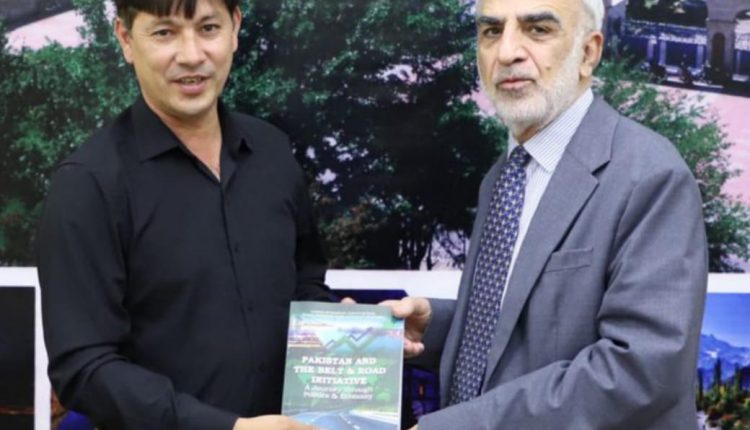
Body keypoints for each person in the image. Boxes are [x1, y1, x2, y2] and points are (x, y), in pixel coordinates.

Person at [384, 0, 708, 428]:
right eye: (491, 31)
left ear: (589, 53)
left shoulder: (650, 175)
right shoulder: (504, 176)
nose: (507, 53)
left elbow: (639, 370)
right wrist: (436, 329)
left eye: (537, 30)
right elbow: (532, 327)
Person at [37, 1, 330, 429]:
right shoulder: (88, 184)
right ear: (125, 39)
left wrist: (359, 335)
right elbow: (84, 367)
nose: (192, 55)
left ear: (235, 28)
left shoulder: (272, 151)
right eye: (165, 33)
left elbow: (306, 284)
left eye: (208, 28)